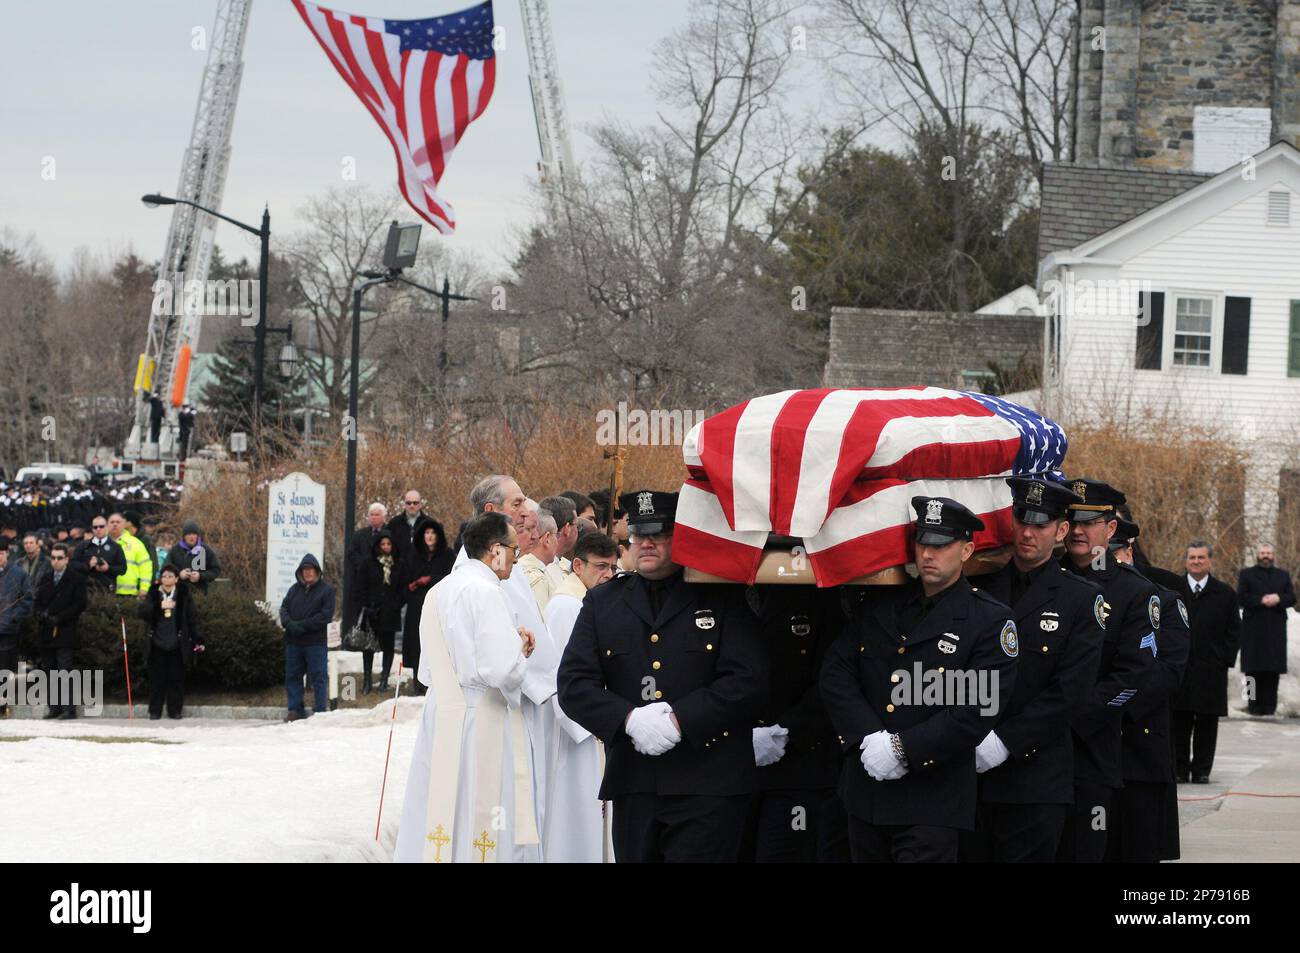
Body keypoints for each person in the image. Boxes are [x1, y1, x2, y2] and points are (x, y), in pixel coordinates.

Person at [557, 489, 770, 863]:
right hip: (635, 783)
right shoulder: (603, 602)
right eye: (639, 535)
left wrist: (680, 720)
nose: (647, 543)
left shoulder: (721, 597)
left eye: (659, 533)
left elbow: (748, 678)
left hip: (708, 783)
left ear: (681, 536)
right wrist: (628, 718)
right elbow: (574, 685)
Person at [820, 497, 1017, 864]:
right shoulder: (880, 606)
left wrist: (901, 748)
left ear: (967, 550)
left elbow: (974, 710)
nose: (929, 553)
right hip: (867, 788)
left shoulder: (989, 621)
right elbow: (836, 673)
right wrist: (868, 737)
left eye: (941, 545)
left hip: (932, 797)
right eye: (923, 542)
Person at [962, 477, 1105, 863]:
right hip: (966, 771)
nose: (1027, 533)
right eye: (1022, 520)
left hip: (1034, 778)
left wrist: (1005, 741)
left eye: (1040, 525)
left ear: (1060, 531)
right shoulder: (978, 587)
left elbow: (1070, 691)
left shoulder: (1081, 599)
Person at [394, 512, 539, 863]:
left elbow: (426, 668)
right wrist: (520, 651)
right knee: (483, 813)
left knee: (441, 811)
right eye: (513, 551)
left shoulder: (438, 591)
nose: (516, 559)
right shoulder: (488, 592)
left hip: (442, 714)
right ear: (494, 550)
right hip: (481, 718)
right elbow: (500, 670)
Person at [1057, 479, 1158, 863]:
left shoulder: (1134, 593)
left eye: (1089, 522)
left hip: (1090, 747)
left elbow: (1132, 676)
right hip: (1030, 754)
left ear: (1111, 528)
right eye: (1072, 521)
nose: (1079, 530)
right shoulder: (1040, 581)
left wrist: (1068, 716)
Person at [743, 585, 847, 863]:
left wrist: (789, 731)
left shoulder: (821, 598)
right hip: (734, 768)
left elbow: (833, 678)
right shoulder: (723, 596)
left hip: (802, 765)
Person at [1106, 519, 1190, 862]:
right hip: (1090, 750)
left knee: (1138, 843)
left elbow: (1166, 672)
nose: (1106, 561)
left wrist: (1108, 704)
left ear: (1128, 550)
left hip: (1138, 741)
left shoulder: (1163, 599)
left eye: (1113, 553)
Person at [543, 531, 619, 862]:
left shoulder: (591, 602)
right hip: (575, 731)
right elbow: (563, 676)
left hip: (593, 725)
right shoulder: (566, 605)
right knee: (574, 813)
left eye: (613, 568)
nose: (608, 575)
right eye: (601, 566)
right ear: (577, 565)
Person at [1157, 541, 1241, 782]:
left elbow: (1234, 632)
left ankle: (1202, 770)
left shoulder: (1225, 594)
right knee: (1179, 723)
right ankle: (1180, 769)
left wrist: (1223, 659)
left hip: (1210, 671)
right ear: (1186, 561)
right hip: (1180, 670)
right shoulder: (1172, 590)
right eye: (1192, 557)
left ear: (1210, 561)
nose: (1196, 561)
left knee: (1207, 723)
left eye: (1201, 557)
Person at [137, 563, 204, 720]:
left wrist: (198, 638)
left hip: (177, 642)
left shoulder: (183, 594)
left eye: (170, 576)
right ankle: (155, 710)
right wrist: (159, 606)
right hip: (157, 643)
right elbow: (142, 612)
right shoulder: (153, 593)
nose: (167, 579)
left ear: (176, 579)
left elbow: (192, 617)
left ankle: (175, 710)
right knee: (156, 679)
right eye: (164, 576)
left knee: (176, 679)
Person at [34, 543, 88, 719]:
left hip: (65, 629)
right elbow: (38, 600)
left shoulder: (76, 578)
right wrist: (41, 614)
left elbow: (80, 604)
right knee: (49, 670)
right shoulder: (46, 577)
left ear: (66, 559)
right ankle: (54, 707)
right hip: (46, 630)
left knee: (64, 670)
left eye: (59, 558)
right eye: (53, 558)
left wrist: (60, 617)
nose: (55, 561)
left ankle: (68, 708)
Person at [1237, 544, 1293, 717]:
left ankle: (1270, 707)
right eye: (1262, 553)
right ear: (1257, 555)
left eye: (1268, 553)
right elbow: (1241, 597)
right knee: (1252, 671)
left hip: (1275, 631)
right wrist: (1261, 600)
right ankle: (1252, 705)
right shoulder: (1246, 574)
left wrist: (1278, 598)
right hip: (1253, 631)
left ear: (1273, 555)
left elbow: (1292, 597)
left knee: (1272, 671)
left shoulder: (1283, 575)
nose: (1265, 556)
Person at [279, 553, 336, 721]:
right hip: (294, 642)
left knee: (319, 676)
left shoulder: (327, 591)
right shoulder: (293, 590)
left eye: (311, 569)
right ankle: (295, 710)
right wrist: (289, 623)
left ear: (317, 571)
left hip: (315, 642)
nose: (308, 573)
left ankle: (319, 711)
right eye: (305, 570)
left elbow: (325, 615)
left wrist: (302, 625)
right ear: (300, 572)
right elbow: (284, 609)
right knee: (293, 676)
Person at [401, 519, 454, 696]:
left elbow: (452, 578)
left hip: (438, 605)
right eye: (427, 533)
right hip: (416, 606)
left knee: (436, 642)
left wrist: (430, 579)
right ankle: (418, 682)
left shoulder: (447, 555)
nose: (430, 536)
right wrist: (412, 586)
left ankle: (436, 681)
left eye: (433, 533)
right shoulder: (413, 555)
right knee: (416, 642)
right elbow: (404, 579)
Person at [358, 530, 403, 694]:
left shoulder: (398, 563)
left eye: (388, 544)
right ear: (378, 546)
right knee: (368, 647)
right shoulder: (368, 563)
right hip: (372, 612)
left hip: (390, 612)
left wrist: (396, 604)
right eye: (383, 544)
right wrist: (367, 605)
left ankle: (384, 679)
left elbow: (402, 588)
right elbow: (361, 587)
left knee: (388, 647)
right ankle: (367, 680)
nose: (386, 547)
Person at [0, 544, 33, 718]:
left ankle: (4, 705)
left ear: (7, 553)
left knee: (5, 669)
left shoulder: (18, 574)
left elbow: (27, 601)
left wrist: (12, 618)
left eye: (1, 553)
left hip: (8, 631)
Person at [345, 503, 388, 632]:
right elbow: (352, 553)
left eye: (377, 514)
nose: (374, 517)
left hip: (383, 584)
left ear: (383, 517)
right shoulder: (359, 535)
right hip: (363, 584)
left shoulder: (389, 534)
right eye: (372, 514)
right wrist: (365, 566)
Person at [517, 505, 558, 612]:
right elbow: (544, 623)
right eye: (556, 534)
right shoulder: (536, 578)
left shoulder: (545, 571)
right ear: (547, 538)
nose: (535, 536)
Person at [70, 516, 125, 592]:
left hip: (108, 589)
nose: (98, 529)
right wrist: (88, 565)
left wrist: (108, 568)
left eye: (101, 526)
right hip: (87, 588)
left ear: (107, 527)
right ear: (92, 529)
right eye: (95, 527)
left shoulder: (116, 546)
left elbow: (123, 569)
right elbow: (72, 564)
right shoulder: (83, 546)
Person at [107, 512, 151, 597]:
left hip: (129, 594)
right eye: (112, 522)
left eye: (118, 522)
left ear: (124, 524)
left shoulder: (136, 543)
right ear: (107, 524)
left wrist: (144, 588)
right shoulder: (100, 543)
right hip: (105, 592)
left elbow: (146, 567)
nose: (115, 524)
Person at [170, 521, 220, 593]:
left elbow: (215, 570)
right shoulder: (175, 550)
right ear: (184, 536)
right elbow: (166, 569)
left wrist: (200, 576)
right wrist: (179, 574)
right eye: (189, 534)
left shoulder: (206, 550)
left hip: (200, 593)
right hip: (178, 593)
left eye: (194, 534)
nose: (192, 537)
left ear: (198, 536)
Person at [387, 490, 432, 560]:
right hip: (400, 566)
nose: (412, 506)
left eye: (415, 503)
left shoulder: (429, 523)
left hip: (423, 565)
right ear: (404, 504)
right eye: (409, 503)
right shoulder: (394, 523)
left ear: (420, 504)